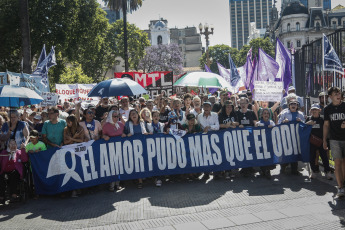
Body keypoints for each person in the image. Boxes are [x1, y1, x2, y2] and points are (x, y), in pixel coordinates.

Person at [323, 87, 345, 197]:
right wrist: (324, 140)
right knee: (337, 163)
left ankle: (344, 185)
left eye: (339, 93)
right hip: (334, 139)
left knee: (344, 163)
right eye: (335, 93)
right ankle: (340, 187)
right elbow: (326, 125)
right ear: (330, 96)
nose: (338, 95)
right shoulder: (327, 109)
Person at [278, 99, 305, 175]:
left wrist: (301, 121)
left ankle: (294, 169)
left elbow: (304, 125)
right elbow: (279, 123)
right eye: (291, 104)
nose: (293, 105)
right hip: (286, 137)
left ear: (297, 106)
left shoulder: (300, 114)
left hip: (296, 138)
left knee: (295, 153)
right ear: (289, 106)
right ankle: (283, 167)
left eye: (295, 104)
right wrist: (283, 121)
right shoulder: (284, 113)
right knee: (285, 152)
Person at [306, 104, 331, 180]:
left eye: (316, 110)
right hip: (312, 142)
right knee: (312, 157)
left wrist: (325, 141)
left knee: (324, 157)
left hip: (321, 141)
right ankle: (313, 172)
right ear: (311, 111)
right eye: (313, 110)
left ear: (319, 110)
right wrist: (307, 123)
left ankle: (327, 172)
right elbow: (303, 128)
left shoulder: (322, 120)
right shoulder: (308, 119)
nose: (314, 111)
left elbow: (326, 129)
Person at [124, 109, 148, 188]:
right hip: (132, 148)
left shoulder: (143, 123)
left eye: (135, 114)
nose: (133, 115)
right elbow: (124, 134)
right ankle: (139, 181)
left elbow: (148, 132)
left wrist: (147, 133)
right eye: (131, 114)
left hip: (143, 146)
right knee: (137, 163)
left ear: (138, 115)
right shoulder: (127, 124)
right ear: (130, 117)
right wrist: (127, 135)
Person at [102, 110, 125, 191]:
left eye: (117, 116)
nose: (116, 118)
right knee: (112, 166)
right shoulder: (106, 125)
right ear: (110, 117)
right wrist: (104, 136)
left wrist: (124, 135)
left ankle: (117, 184)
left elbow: (125, 132)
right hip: (110, 150)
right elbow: (102, 134)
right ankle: (111, 184)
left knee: (119, 166)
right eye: (114, 116)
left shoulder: (120, 124)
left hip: (120, 149)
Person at [255, 108, 276, 178]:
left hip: (269, 144)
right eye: (265, 113)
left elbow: (276, 131)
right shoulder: (258, 123)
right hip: (261, 144)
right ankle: (263, 170)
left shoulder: (272, 122)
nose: (266, 115)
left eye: (267, 113)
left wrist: (273, 127)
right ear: (262, 115)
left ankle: (267, 170)